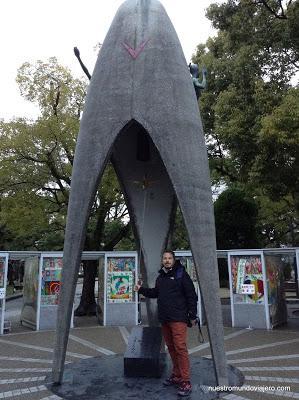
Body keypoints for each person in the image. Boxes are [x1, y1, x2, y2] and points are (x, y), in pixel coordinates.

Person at [134, 250, 198, 397]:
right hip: (165, 318)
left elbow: (191, 295)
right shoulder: (161, 277)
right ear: (162, 260)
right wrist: (141, 290)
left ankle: (186, 380)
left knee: (180, 348)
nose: (167, 260)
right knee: (171, 348)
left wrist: (193, 315)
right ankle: (176, 375)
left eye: (170, 258)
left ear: (174, 260)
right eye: (165, 258)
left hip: (178, 318)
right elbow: (156, 293)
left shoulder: (181, 274)